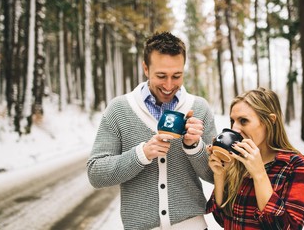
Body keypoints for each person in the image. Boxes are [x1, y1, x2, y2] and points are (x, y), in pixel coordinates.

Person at [87, 31, 217, 230]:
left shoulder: (199, 108)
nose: (168, 85)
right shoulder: (119, 110)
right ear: (146, 68)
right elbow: (96, 173)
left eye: (177, 76)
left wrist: (194, 147)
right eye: (161, 76)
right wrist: (141, 155)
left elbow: (215, 175)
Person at [206, 88, 304, 229]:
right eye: (232, 121)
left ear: (270, 121)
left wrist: (259, 174)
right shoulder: (237, 162)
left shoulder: (296, 165)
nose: (235, 128)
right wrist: (220, 175)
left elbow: (288, 227)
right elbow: (222, 219)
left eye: (243, 121)